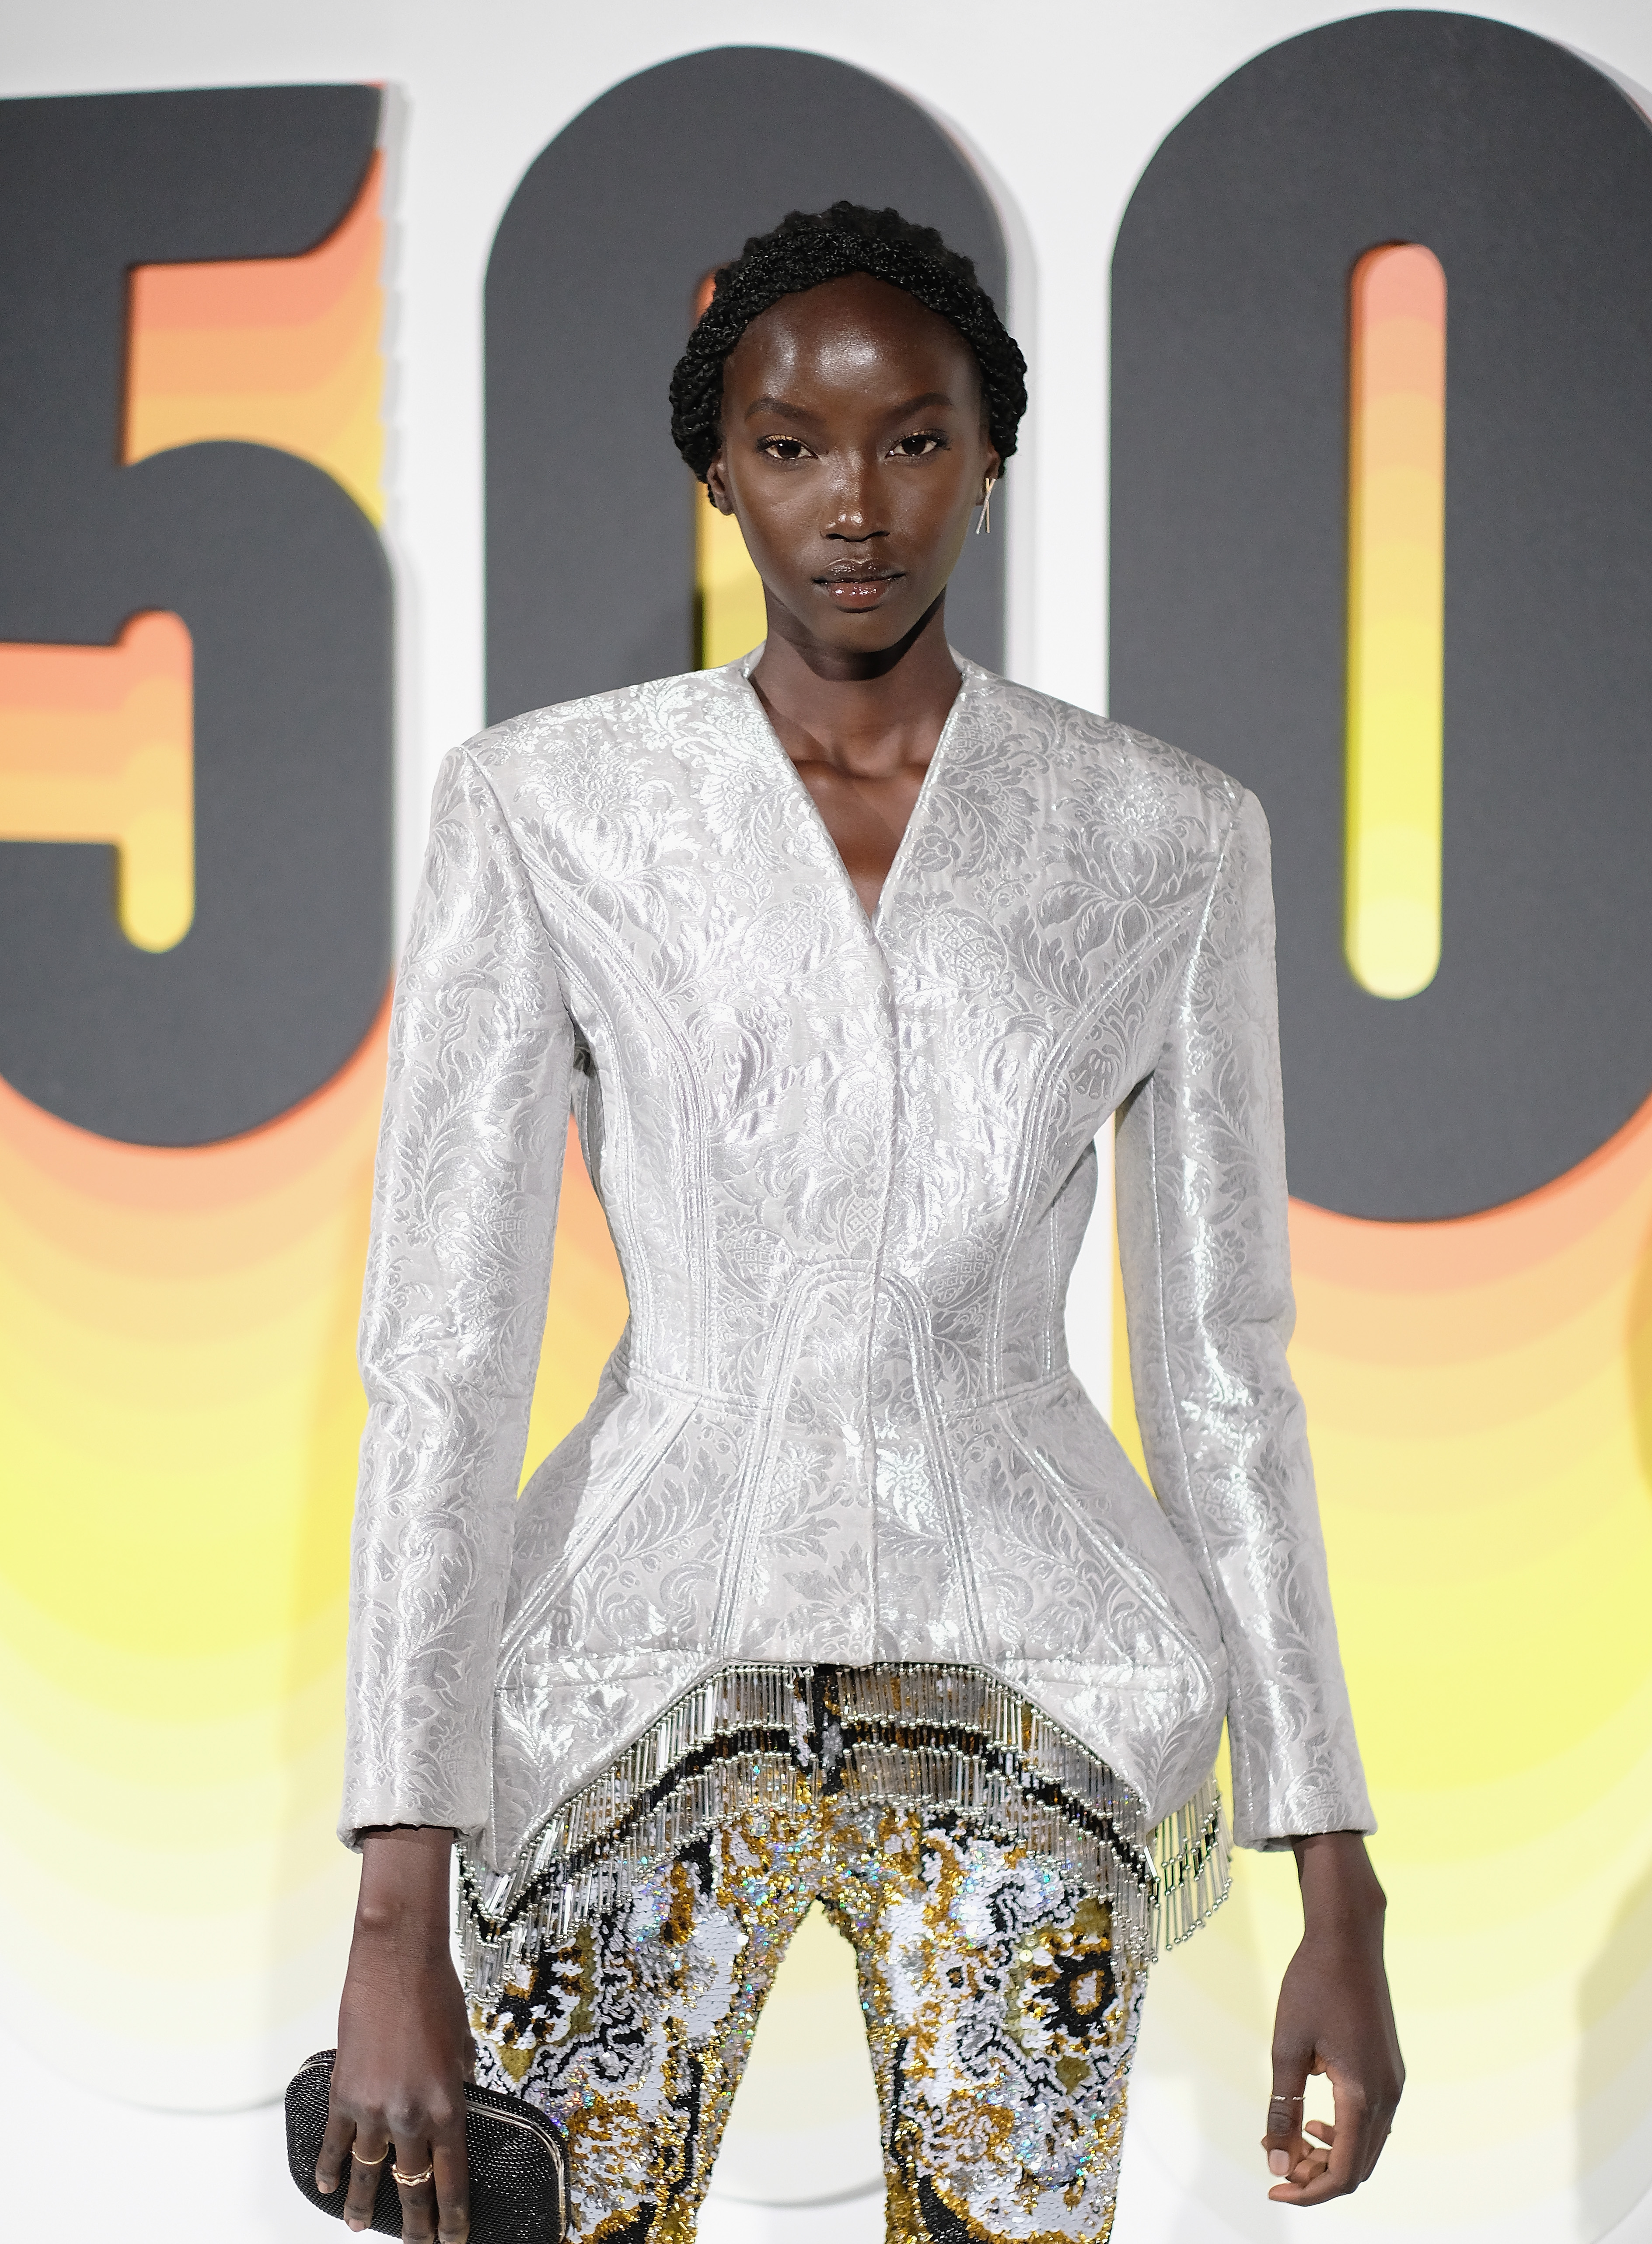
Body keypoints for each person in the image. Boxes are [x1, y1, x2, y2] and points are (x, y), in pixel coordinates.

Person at [315, 202, 1402, 2244]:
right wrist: (394, 1903)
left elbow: (1224, 1369)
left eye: (913, 438)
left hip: (1041, 1686)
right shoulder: (549, 809)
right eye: (791, 443)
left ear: (992, 454)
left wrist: (1334, 1871)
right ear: (716, 468)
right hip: (628, 1675)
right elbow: (439, 1361)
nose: (855, 503)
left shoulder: (1168, 836)